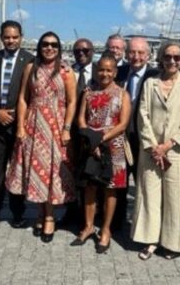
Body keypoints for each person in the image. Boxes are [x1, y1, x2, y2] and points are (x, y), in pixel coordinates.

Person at [6, 32, 77, 243]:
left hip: (56, 125)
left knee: (52, 171)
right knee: (36, 169)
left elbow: (72, 101)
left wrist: (67, 128)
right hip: (34, 124)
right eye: (45, 44)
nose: (49, 48)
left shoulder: (66, 70)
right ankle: (39, 212)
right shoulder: (31, 68)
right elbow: (23, 98)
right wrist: (20, 126)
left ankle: (49, 216)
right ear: (39, 46)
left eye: (54, 45)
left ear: (59, 48)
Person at [131, 42, 180, 260]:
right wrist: (153, 146)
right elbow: (142, 115)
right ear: (161, 58)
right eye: (168, 56)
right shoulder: (150, 84)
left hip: (175, 151)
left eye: (177, 57)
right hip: (150, 150)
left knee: (175, 196)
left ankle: (173, 242)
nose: (172, 61)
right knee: (149, 193)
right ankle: (149, 239)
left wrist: (167, 146)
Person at [72, 53, 131, 253]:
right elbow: (81, 119)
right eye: (101, 70)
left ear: (114, 72)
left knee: (110, 189)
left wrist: (100, 139)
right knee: (89, 187)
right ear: (96, 71)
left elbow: (123, 124)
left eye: (109, 70)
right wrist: (91, 140)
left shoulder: (122, 94)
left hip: (113, 147)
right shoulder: (88, 93)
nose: (104, 74)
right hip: (90, 146)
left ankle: (106, 229)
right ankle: (88, 226)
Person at [0, 20, 33, 228]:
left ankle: (18, 210)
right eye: (7, 37)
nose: (11, 41)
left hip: (20, 124)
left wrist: (19, 115)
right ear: (1, 38)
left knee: (18, 169)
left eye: (15, 37)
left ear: (21, 37)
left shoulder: (31, 60)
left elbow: (33, 93)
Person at [111, 36, 158, 231]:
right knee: (118, 183)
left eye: (140, 53)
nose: (136, 56)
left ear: (148, 55)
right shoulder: (118, 72)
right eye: (132, 52)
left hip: (144, 139)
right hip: (119, 137)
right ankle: (116, 222)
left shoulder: (156, 76)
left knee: (144, 184)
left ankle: (143, 226)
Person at [59, 38, 97, 228]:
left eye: (85, 50)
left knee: (89, 173)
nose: (81, 54)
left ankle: (89, 215)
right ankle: (71, 210)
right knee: (70, 170)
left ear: (93, 51)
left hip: (93, 130)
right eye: (77, 51)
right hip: (70, 128)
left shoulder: (101, 71)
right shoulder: (67, 72)